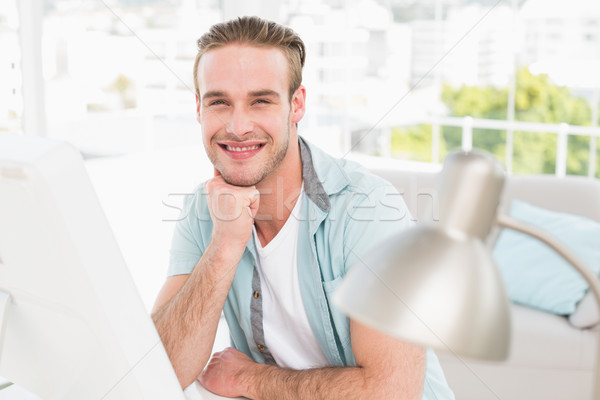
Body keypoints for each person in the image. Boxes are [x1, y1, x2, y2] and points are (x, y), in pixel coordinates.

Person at [151, 16, 454, 399]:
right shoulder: (201, 211)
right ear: (198, 108)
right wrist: (225, 247)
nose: (238, 126)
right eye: (219, 102)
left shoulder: (369, 209)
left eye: (261, 101)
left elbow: (392, 392)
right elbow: (157, 368)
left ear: (296, 105)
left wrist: (249, 380)